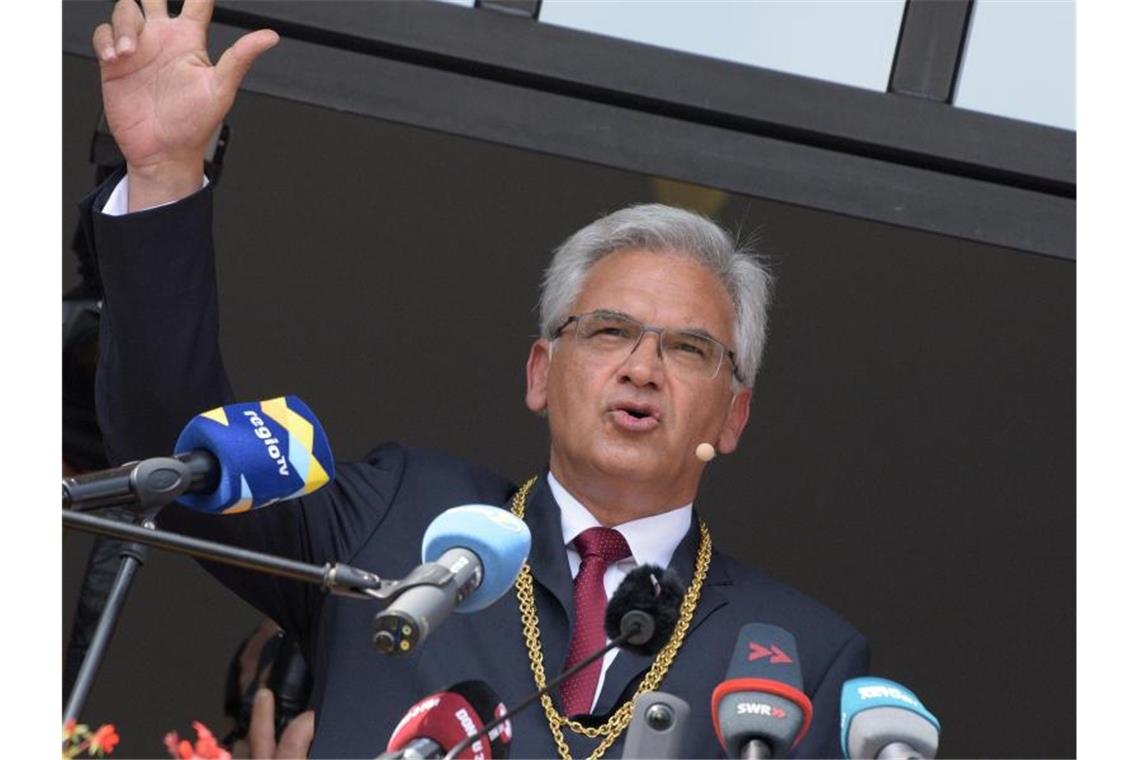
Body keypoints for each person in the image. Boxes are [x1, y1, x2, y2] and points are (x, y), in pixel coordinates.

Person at [84, 1, 868, 757]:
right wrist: (165, 174)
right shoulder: (399, 519)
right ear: (540, 372)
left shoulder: (799, 657)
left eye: (689, 350)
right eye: (609, 331)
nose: (642, 368)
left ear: (733, 417)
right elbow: (173, 446)